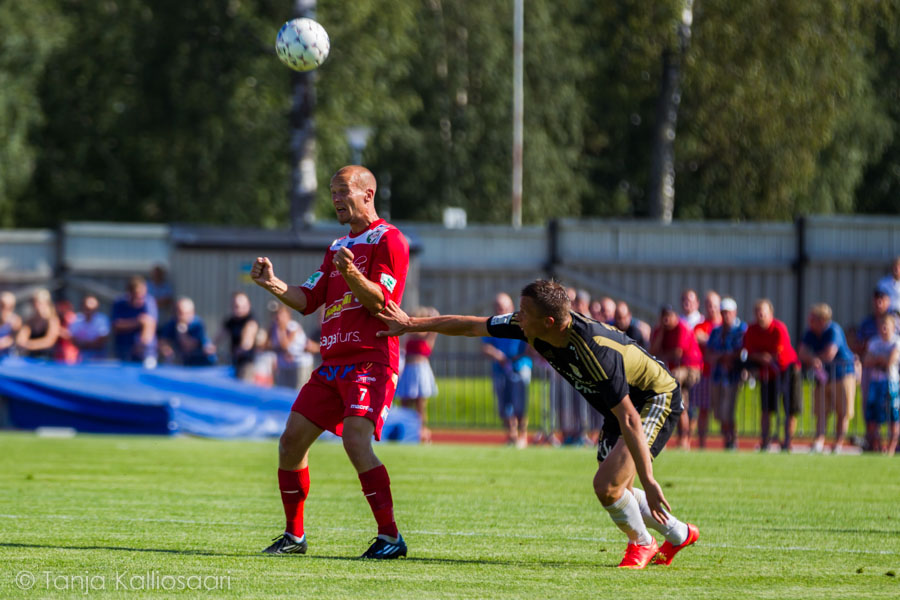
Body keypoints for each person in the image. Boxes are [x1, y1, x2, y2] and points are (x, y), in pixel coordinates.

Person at [376, 279, 698, 569]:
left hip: (654, 398)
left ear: (549, 322)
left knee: (608, 486)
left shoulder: (593, 351)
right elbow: (472, 327)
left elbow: (629, 417)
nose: (518, 317)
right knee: (619, 488)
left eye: (524, 312)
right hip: (622, 407)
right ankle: (679, 533)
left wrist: (651, 480)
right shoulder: (532, 326)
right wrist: (410, 323)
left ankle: (642, 543)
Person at [250, 165, 410, 559]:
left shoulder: (389, 239)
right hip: (332, 364)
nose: (336, 199)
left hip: (369, 360)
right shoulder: (337, 246)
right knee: (290, 444)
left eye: (343, 191)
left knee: (356, 439)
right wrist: (272, 282)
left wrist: (352, 273)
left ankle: (391, 538)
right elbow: (308, 299)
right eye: (332, 192)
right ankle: (294, 536)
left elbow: (381, 304)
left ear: (368, 194)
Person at [742, 299, 801, 452]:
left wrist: (760, 356)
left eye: (764, 312)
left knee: (790, 408)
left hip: (788, 370)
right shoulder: (751, 329)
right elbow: (750, 352)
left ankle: (787, 441)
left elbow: (776, 355)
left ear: (771, 314)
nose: (761, 315)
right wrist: (762, 357)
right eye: (758, 312)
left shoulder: (779, 328)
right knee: (766, 408)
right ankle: (765, 440)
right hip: (768, 373)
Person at [799, 303, 857, 454]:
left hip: (842, 374)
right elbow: (802, 353)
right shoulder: (810, 332)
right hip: (823, 378)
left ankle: (838, 443)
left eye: (813, 318)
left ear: (822, 320)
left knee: (842, 411)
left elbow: (830, 354)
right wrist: (814, 360)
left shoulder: (833, 330)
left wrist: (813, 359)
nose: (809, 321)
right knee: (821, 411)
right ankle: (819, 441)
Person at [482, 293, 533, 448]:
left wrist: (517, 357)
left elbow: (530, 344)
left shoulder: (521, 323)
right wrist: (498, 356)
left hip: (520, 367)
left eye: (504, 307)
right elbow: (485, 346)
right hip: (500, 369)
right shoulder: (492, 325)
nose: (501, 310)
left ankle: (522, 435)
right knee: (504, 406)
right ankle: (511, 435)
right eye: (498, 307)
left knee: (519, 405)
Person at [649, 305, 703, 450]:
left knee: (674, 378)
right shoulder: (659, 330)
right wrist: (661, 332)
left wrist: (662, 354)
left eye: (669, 316)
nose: (666, 320)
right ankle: (678, 439)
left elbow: (678, 353)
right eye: (663, 317)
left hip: (690, 368)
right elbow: (653, 351)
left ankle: (684, 437)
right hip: (671, 370)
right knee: (680, 404)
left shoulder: (682, 328)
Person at [706, 297, 746, 450]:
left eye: (728, 313)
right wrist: (723, 357)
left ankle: (732, 439)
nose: (725, 316)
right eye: (723, 313)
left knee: (728, 409)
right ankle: (726, 437)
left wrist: (723, 356)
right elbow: (709, 354)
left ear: (734, 312)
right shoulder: (716, 331)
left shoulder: (741, 329)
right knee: (718, 412)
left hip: (732, 376)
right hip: (717, 376)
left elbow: (739, 352)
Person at [395, 306, 439, 443]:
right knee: (405, 402)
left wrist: (432, 316)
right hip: (408, 370)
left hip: (420, 370)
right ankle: (404, 430)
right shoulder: (410, 334)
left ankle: (421, 432)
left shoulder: (427, 335)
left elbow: (430, 329)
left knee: (420, 404)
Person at [863, 315, 900, 455]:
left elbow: (891, 360)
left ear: (893, 327)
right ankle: (877, 447)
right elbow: (867, 360)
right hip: (875, 382)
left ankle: (891, 448)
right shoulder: (874, 342)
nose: (884, 329)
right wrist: (881, 359)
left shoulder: (896, 341)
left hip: (891, 382)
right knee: (874, 416)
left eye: (887, 326)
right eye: (881, 326)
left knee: (893, 415)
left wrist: (878, 359)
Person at [690, 291, 722, 449]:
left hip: (722, 374)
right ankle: (701, 443)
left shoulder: (724, 324)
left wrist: (708, 341)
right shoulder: (701, 325)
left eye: (715, 305)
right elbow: (695, 337)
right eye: (709, 305)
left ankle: (727, 443)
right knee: (702, 409)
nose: (712, 309)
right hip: (705, 373)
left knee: (723, 412)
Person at [110, 276, 158, 367]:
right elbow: (116, 325)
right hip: (124, 349)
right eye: (137, 293)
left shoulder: (149, 302)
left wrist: (141, 345)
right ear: (130, 292)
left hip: (145, 353)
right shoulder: (119, 303)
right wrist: (138, 321)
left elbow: (149, 325)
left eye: (142, 293)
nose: (140, 297)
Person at [268, 304, 318, 388]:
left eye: (281, 314)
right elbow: (269, 345)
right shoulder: (273, 327)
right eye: (276, 314)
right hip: (285, 366)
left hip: (300, 365)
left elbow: (285, 345)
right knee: (282, 390)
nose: (278, 317)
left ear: (288, 315)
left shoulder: (292, 326)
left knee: (298, 390)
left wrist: (281, 330)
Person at [158, 297, 216, 366]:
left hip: (201, 364)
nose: (179, 316)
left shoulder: (197, 324)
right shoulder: (173, 323)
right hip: (183, 365)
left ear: (192, 313)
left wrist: (181, 330)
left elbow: (189, 347)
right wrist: (166, 349)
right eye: (177, 312)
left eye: (182, 313)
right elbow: (163, 341)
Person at [217, 292, 259, 382]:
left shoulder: (250, 320)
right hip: (234, 362)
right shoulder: (231, 320)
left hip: (246, 364)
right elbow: (220, 335)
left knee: (244, 387)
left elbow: (248, 339)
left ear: (248, 305)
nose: (239, 309)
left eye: (242, 306)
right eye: (236, 306)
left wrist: (243, 347)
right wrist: (211, 346)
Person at [15, 289, 60, 360]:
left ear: (46, 303)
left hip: (47, 360)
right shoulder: (30, 321)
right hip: (31, 359)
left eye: (38, 302)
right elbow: (20, 340)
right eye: (33, 302)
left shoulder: (52, 320)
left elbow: (49, 341)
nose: (36, 305)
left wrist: (28, 345)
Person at [69, 295, 110, 361]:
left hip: (99, 355)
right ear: (82, 307)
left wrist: (84, 344)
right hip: (80, 354)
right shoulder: (76, 320)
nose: (89, 312)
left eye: (92, 309)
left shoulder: (102, 320)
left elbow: (101, 341)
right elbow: (73, 339)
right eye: (87, 309)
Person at [53, 299, 79, 364]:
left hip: (69, 351)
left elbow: (72, 335)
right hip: (58, 350)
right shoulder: (56, 318)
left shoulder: (70, 317)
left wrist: (59, 331)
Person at [0, 292, 22, 360]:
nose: (3, 308)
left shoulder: (16, 320)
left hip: (8, 357)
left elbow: (15, 339)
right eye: (1, 304)